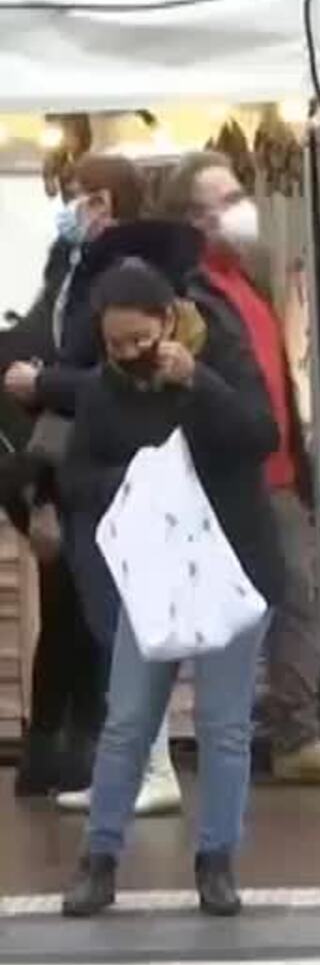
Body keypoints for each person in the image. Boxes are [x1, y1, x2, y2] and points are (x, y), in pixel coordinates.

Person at [59, 255, 284, 918]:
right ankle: (99, 857)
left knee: (223, 724)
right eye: (115, 344)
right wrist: (135, 478)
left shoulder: (222, 356)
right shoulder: (104, 390)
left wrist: (201, 384)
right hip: (155, 573)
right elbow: (77, 477)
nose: (129, 354)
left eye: (140, 340)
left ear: (169, 320)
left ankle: (216, 859)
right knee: (127, 718)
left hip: (230, 564)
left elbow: (260, 435)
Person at [158, 152, 320, 786]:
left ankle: (292, 731)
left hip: (278, 473)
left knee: (298, 601)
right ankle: (263, 735)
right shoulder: (189, 292)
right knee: (240, 612)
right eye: (224, 200)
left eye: (238, 194)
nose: (241, 208)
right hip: (228, 477)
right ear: (192, 217)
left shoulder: (246, 283)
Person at [5, 160, 186, 820]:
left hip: (124, 469)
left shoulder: (131, 275)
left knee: (128, 628)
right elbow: (57, 336)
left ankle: (151, 766)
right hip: (86, 469)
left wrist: (45, 383)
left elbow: (112, 369)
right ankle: (132, 764)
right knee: (110, 629)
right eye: (76, 196)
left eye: (96, 197)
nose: (82, 207)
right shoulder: (78, 268)